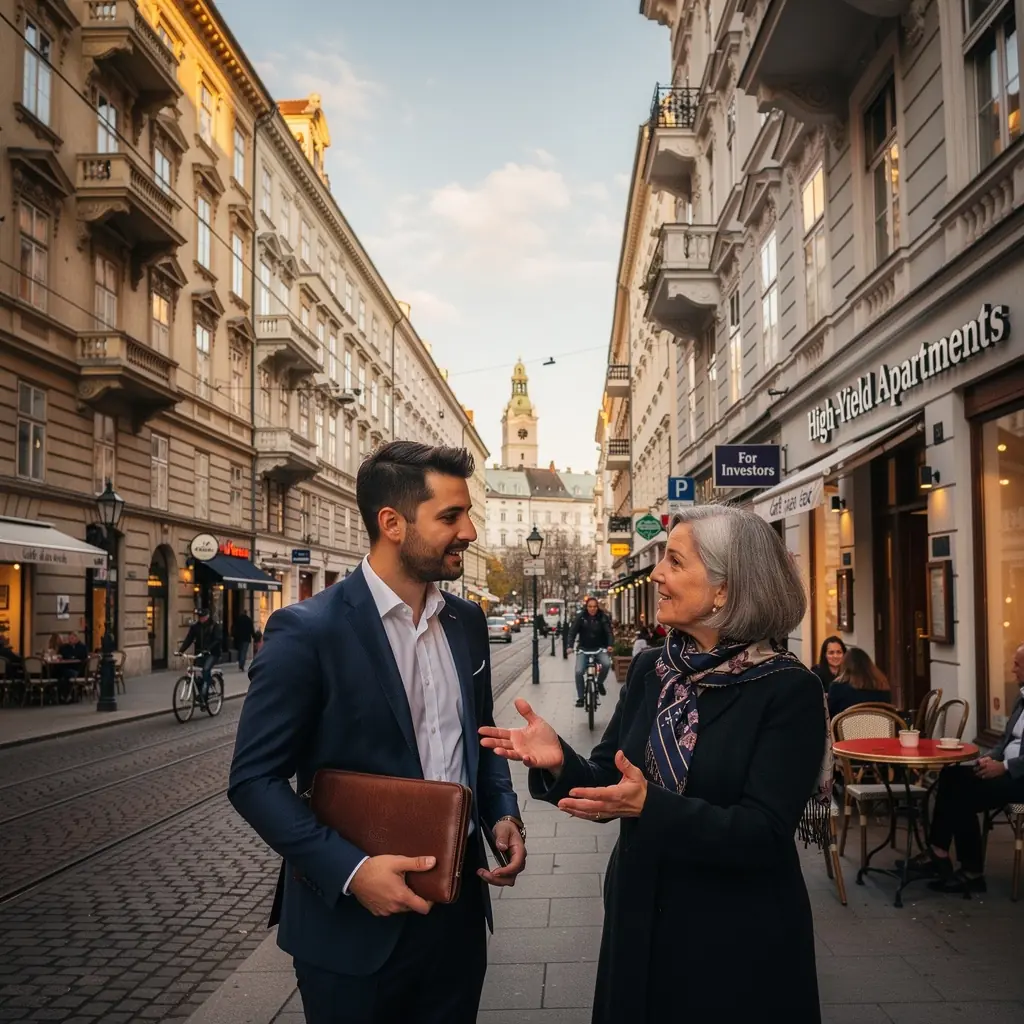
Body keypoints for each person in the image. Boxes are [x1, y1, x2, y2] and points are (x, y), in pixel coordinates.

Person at [480, 505, 828, 1023]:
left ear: (724, 589)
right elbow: (611, 778)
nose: (658, 574)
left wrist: (650, 806)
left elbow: (764, 832)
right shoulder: (653, 668)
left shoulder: (787, 689)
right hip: (639, 913)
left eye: (675, 562)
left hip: (735, 934)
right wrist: (559, 761)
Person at [228, 441, 526, 1024]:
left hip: (457, 915)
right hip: (353, 927)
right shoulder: (306, 630)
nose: (468, 532)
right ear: (392, 523)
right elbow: (253, 781)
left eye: (467, 514)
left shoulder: (466, 622)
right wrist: (354, 872)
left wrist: (501, 813)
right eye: (450, 516)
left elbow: (479, 735)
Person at [903, 642, 1024, 894]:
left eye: (1017, 664)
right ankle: (938, 851)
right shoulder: (1020, 699)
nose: (1013, 669)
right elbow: (1004, 741)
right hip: (1004, 769)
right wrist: (988, 759)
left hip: (1018, 778)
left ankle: (971, 872)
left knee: (962, 795)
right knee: (951, 775)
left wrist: (1004, 767)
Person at [568, 597, 614, 707]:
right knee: (579, 671)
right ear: (586, 607)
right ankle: (581, 698)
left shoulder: (602, 617)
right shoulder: (581, 617)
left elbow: (609, 632)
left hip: (599, 648)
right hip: (583, 649)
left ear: (597, 607)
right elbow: (572, 632)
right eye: (590, 606)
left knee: (606, 664)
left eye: (594, 607)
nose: (592, 609)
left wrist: (610, 645)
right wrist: (570, 646)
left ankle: (599, 683)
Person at [827, 647, 891, 719]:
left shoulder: (837, 687)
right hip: (879, 726)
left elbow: (830, 716)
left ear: (845, 666)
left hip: (848, 726)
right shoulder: (882, 686)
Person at [178, 609, 221, 706]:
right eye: (199, 617)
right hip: (199, 654)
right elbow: (189, 639)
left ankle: (205, 694)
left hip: (212, 654)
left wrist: (208, 649)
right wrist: (181, 651)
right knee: (195, 674)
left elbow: (217, 639)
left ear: (207, 616)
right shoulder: (195, 627)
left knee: (205, 670)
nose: (201, 619)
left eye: (202, 617)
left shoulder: (214, 626)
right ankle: (202, 694)